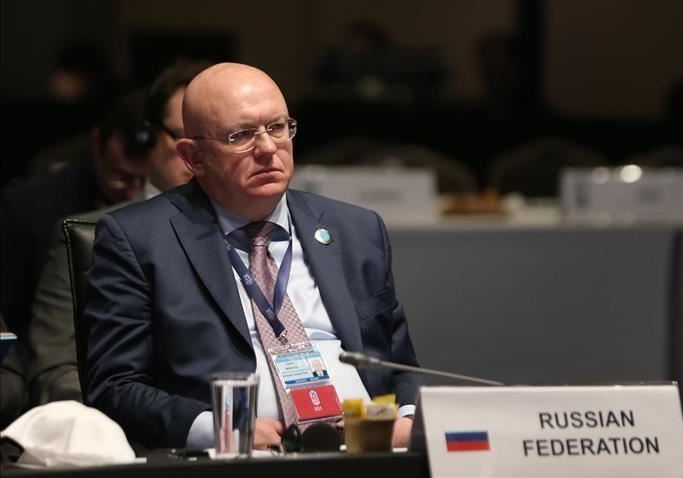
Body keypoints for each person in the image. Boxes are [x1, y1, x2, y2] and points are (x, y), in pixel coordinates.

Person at [83, 63, 423, 450]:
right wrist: (227, 429)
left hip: (368, 452)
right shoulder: (139, 239)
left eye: (277, 128)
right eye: (241, 135)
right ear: (194, 157)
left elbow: (399, 366)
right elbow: (114, 387)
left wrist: (408, 421)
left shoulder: (356, 230)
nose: (267, 148)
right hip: (238, 458)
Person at [24, 62, 208, 407]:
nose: (198, 154)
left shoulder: (262, 232)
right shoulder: (94, 234)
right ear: (150, 137)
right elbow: (55, 370)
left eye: (216, 138)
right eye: (183, 137)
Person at [0, 92, 152, 347]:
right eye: (120, 177)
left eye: (143, 181)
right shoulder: (29, 208)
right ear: (96, 144)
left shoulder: (166, 208)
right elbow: (11, 318)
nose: (132, 193)